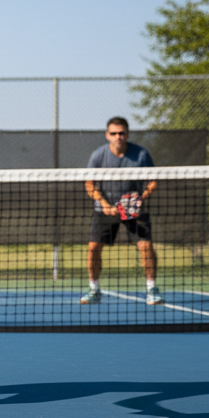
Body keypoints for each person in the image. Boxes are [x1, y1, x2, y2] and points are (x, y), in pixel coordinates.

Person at [80, 116, 163, 306]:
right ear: (107, 135)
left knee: (146, 247)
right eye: (114, 133)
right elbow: (89, 184)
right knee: (93, 248)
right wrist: (104, 204)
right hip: (105, 209)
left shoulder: (141, 154)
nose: (118, 137)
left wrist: (141, 198)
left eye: (122, 133)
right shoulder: (98, 155)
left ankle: (152, 289)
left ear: (127, 134)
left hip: (134, 210)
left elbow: (153, 181)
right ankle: (94, 289)